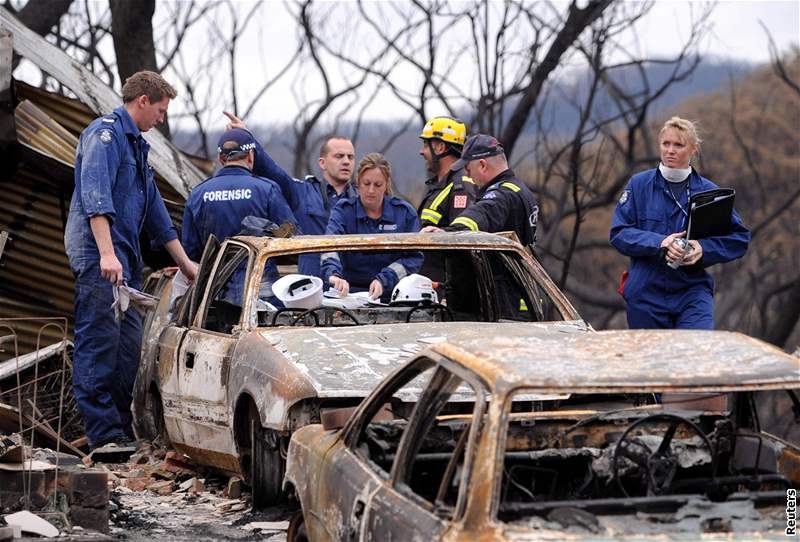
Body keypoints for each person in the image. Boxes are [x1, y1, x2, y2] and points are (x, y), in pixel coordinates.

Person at [64, 71, 198, 450]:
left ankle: (121, 431)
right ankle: (103, 437)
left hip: (125, 258)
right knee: (99, 342)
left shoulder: (137, 146)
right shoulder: (104, 136)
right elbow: (95, 195)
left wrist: (187, 264)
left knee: (128, 349)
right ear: (142, 101)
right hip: (99, 255)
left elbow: (156, 214)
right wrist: (106, 253)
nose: (161, 118)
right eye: (159, 110)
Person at [609, 116, 750, 329]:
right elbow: (619, 233)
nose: (670, 150)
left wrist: (703, 248)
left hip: (692, 292)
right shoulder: (639, 185)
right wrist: (659, 243)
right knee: (652, 361)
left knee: (696, 354)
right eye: (666, 144)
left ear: (693, 149)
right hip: (647, 293)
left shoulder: (709, 192)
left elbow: (739, 238)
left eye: (678, 145)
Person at [222, 112, 356, 277]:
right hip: (314, 287)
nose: (346, 161)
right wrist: (246, 138)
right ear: (322, 162)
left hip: (355, 288)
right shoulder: (302, 192)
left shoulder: (362, 198)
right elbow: (271, 170)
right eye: (339, 156)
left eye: (350, 157)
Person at [181, 128, 297, 305]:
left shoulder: (198, 194)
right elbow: (291, 239)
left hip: (214, 295)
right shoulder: (267, 190)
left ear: (221, 159)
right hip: (261, 291)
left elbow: (189, 251)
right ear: (251, 155)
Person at [321, 153, 422, 301]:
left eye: (378, 185)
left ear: (387, 184)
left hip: (393, 295)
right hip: (348, 294)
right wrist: (334, 275)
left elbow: (414, 257)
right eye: (366, 183)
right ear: (358, 182)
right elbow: (329, 246)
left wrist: (385, 279)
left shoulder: (404, 213)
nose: (371, 190)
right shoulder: (343, 211)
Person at [421, 134, 539, 248]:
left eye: (468, 169)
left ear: (482, 165)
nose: (467, 175)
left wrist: (446, 234)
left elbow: (480, 215)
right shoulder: (519, 189)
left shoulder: (501, 195)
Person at [418, 116, 477, 228]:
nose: (421, 151)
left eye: (426, 145)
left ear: (441, 147)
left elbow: (461, 237)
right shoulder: (441, 185)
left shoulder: (461, 187)